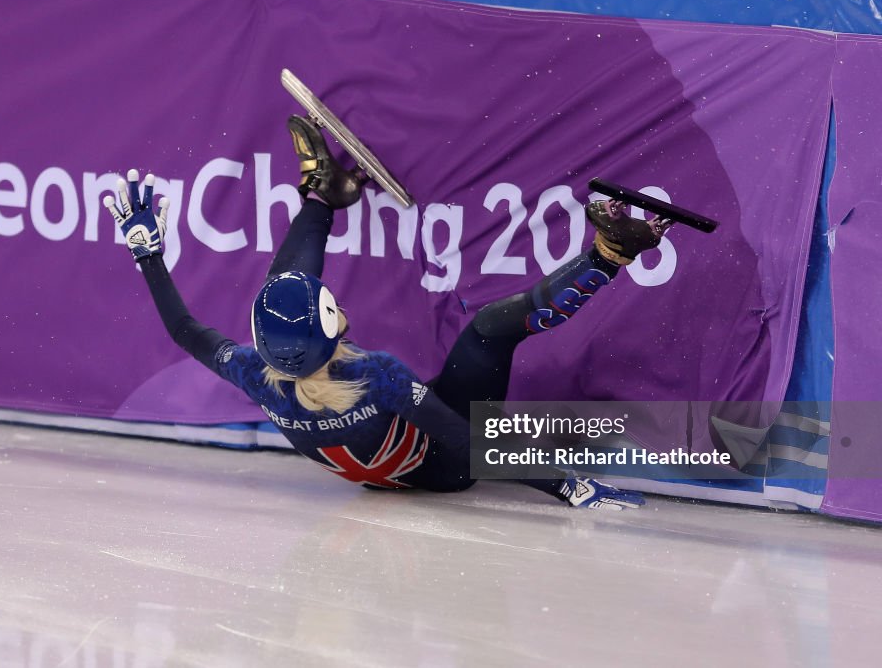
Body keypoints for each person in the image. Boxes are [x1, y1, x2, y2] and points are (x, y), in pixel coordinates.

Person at [105, 116, 672, 509]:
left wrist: (147, 254)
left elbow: (184, 331)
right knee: (487, 332)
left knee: (286, 291)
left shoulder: (258, 374)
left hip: (388, 466)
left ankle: (323, 193)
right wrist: (570, 487)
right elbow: (473, 444)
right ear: (335, 321)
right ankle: (610, 254)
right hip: (451, 467)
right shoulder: (376, 376)